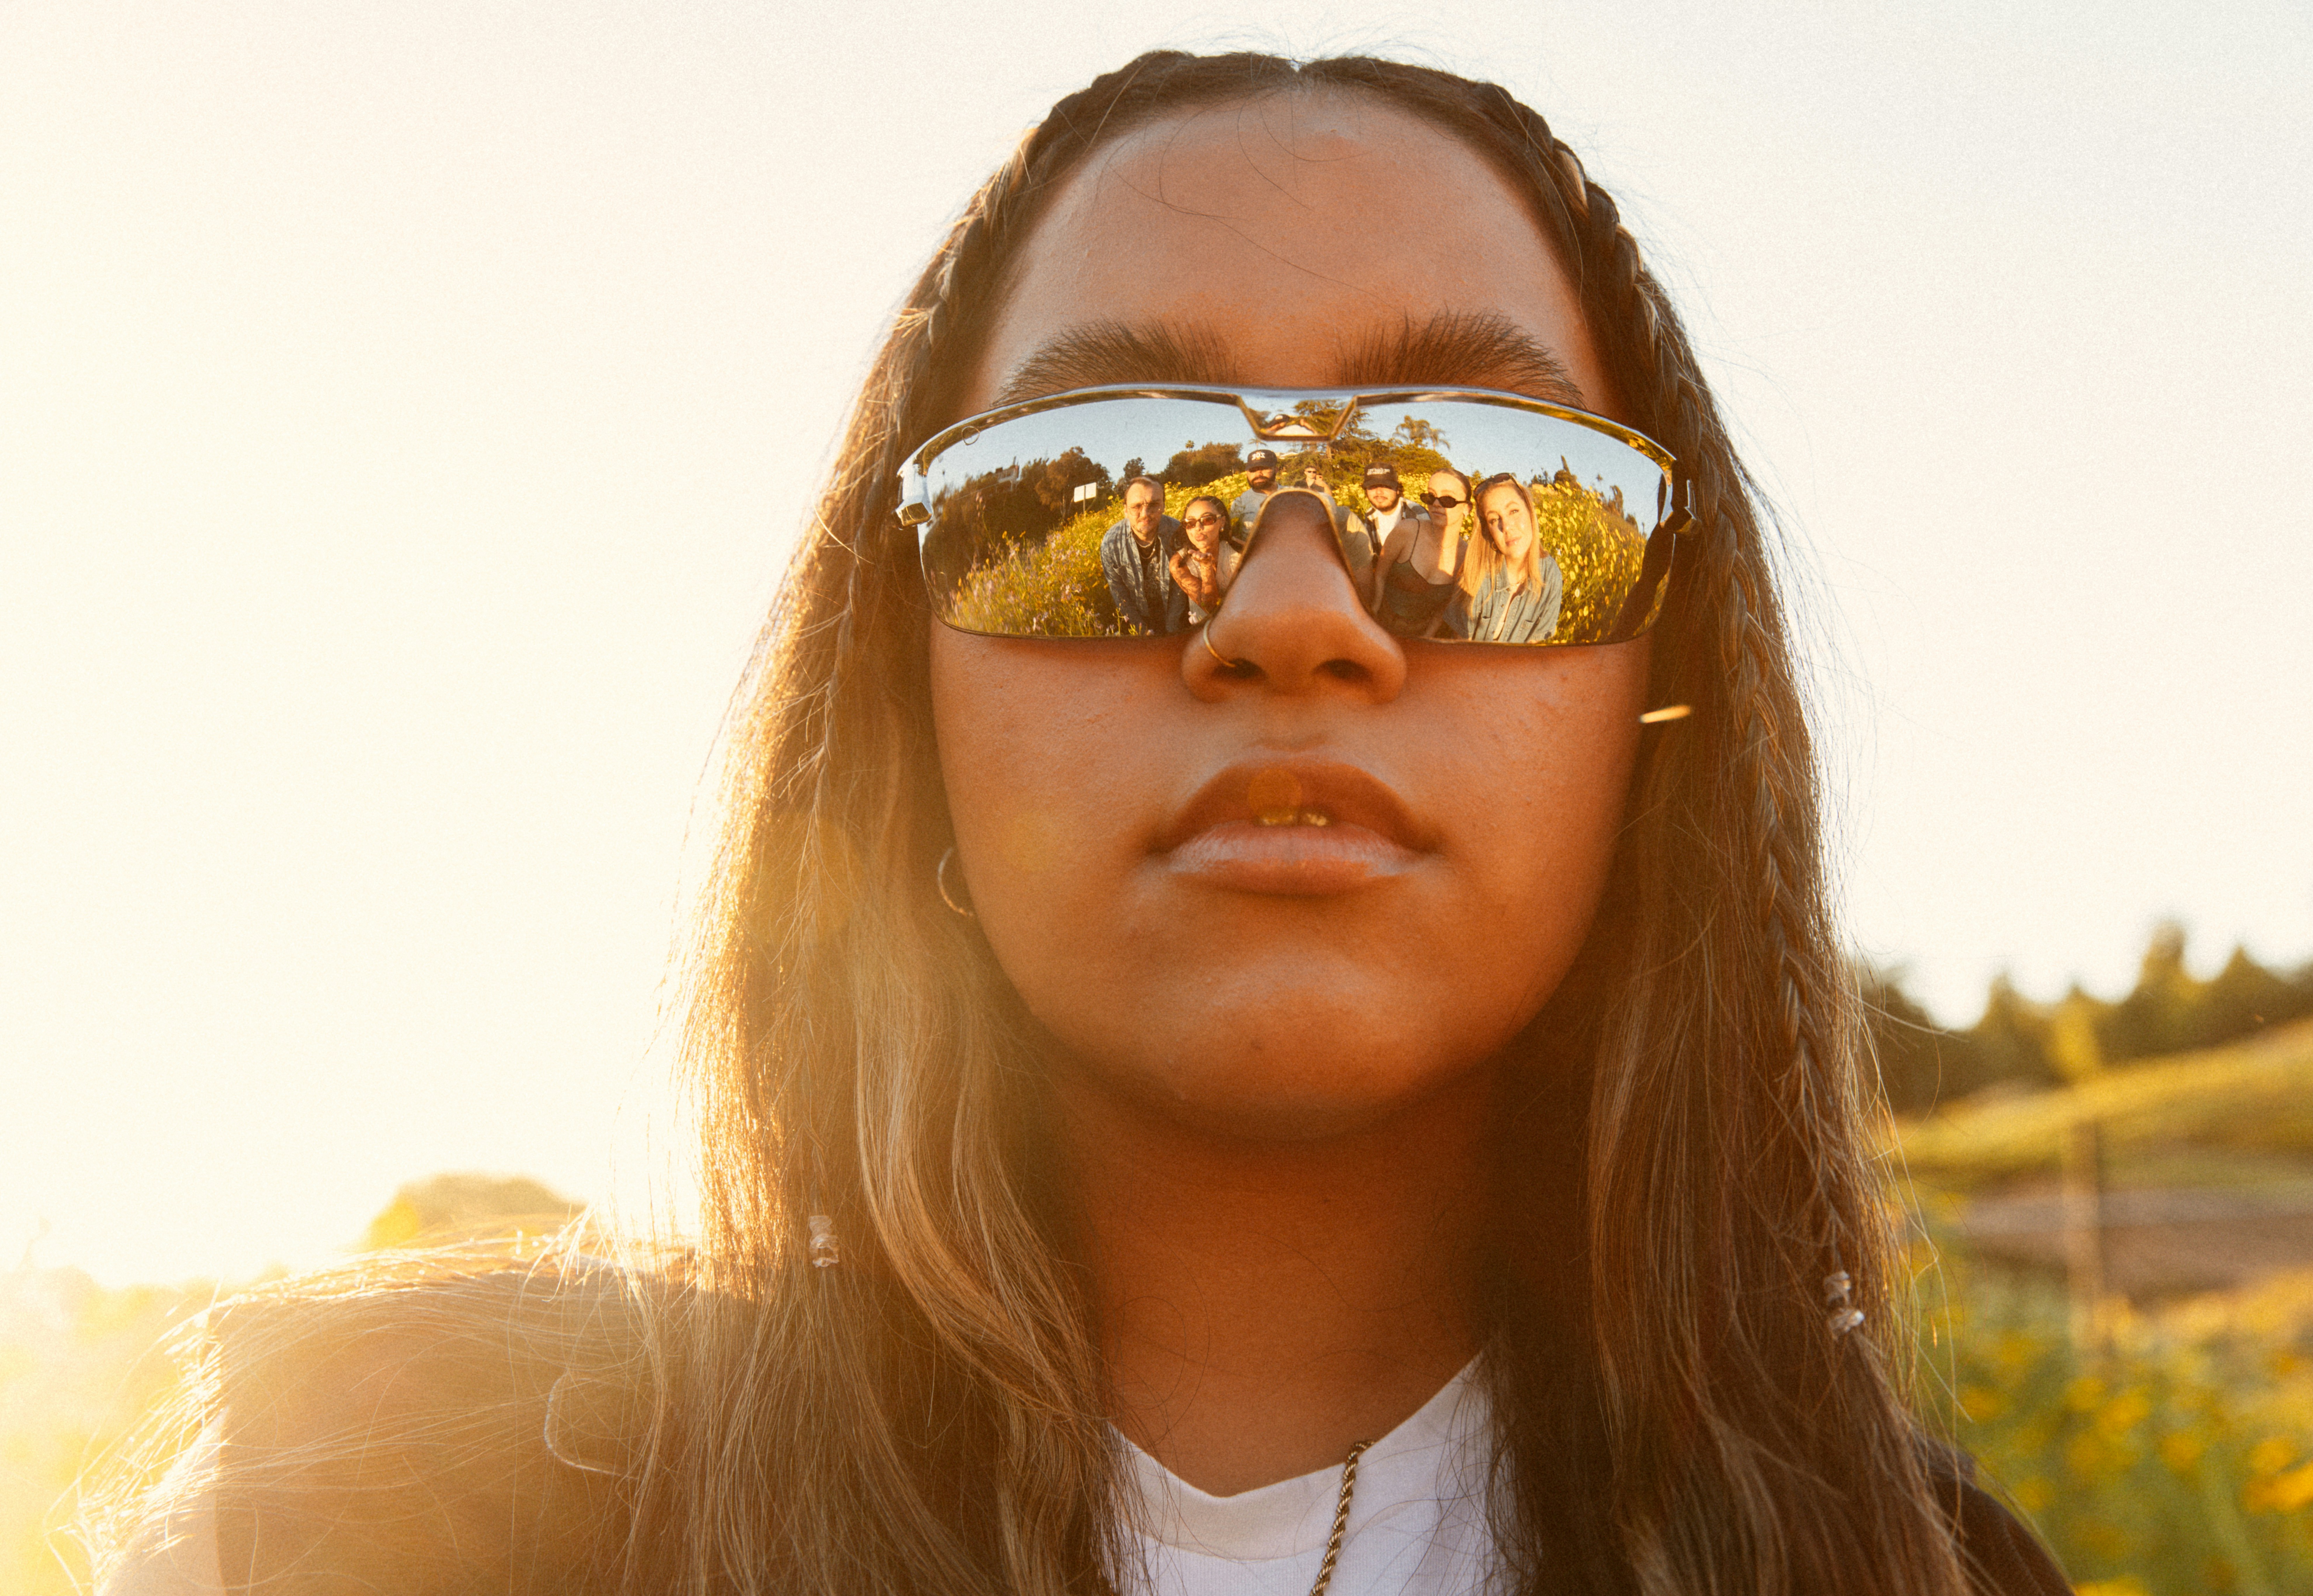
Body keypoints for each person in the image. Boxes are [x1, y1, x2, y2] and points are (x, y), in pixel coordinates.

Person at [92, 50, 2070, 1596]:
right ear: (904, 686)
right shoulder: (363, 1525)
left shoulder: (1912, 1576)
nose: (1291, 618)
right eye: (1095, 496)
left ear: (1660, 691)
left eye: (1480, 500)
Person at [1448, 473, 1564, 643]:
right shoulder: (1477, 572)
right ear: (1489, 531)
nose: (1507, 527)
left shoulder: (1551, 575)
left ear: (1531, 513)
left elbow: (1534, 647)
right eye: (1494, 520)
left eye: (1514, 511)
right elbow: (1461, 647)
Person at [1372, 466, 1468, 638]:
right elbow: (1379, 578)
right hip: (1380, 631)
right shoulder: (1407, 531)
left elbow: (1444, 609)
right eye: (1431, 497)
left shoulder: (1467, 556)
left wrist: (1426, 641)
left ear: (1467, 508)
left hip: (1422, 640)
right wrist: (1371, 623)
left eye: (1448, 499)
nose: (1437, 504)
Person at [1099, 474, 1191, 634]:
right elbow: (1120, 594)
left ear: (1163, 506)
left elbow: (1181, 590)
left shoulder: (1179, 533)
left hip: (1177, 619)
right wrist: (1141, 631)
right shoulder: (1111, 543)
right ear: (1126, 510)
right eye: (1136, 507)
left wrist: (1171, 630)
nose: (1145, 514)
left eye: (1154, 505)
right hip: (1139, 620)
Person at [1167, 493, 1238, 620]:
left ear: (1222, 522)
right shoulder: (1179, 564)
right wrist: (1206, 567)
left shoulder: (1239, 550)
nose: (1198, 528)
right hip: (1206, 632)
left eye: (1207, 520)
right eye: (1190, 523)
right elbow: (1211, 608)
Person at [1358, 459, 1426, 555]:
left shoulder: (1417, 514)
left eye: (1385, 486)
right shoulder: (1370, 515)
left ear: (1398, 490)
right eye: (1372, 487)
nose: (1379, 492)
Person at [1228, 446, 1279, 543]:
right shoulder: (1240, 502)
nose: (1259, 474)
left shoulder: (1290, 495)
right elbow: (1232, 536)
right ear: (1247, 473)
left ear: (1276, 470)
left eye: (1264, 469)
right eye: (1253, 471)